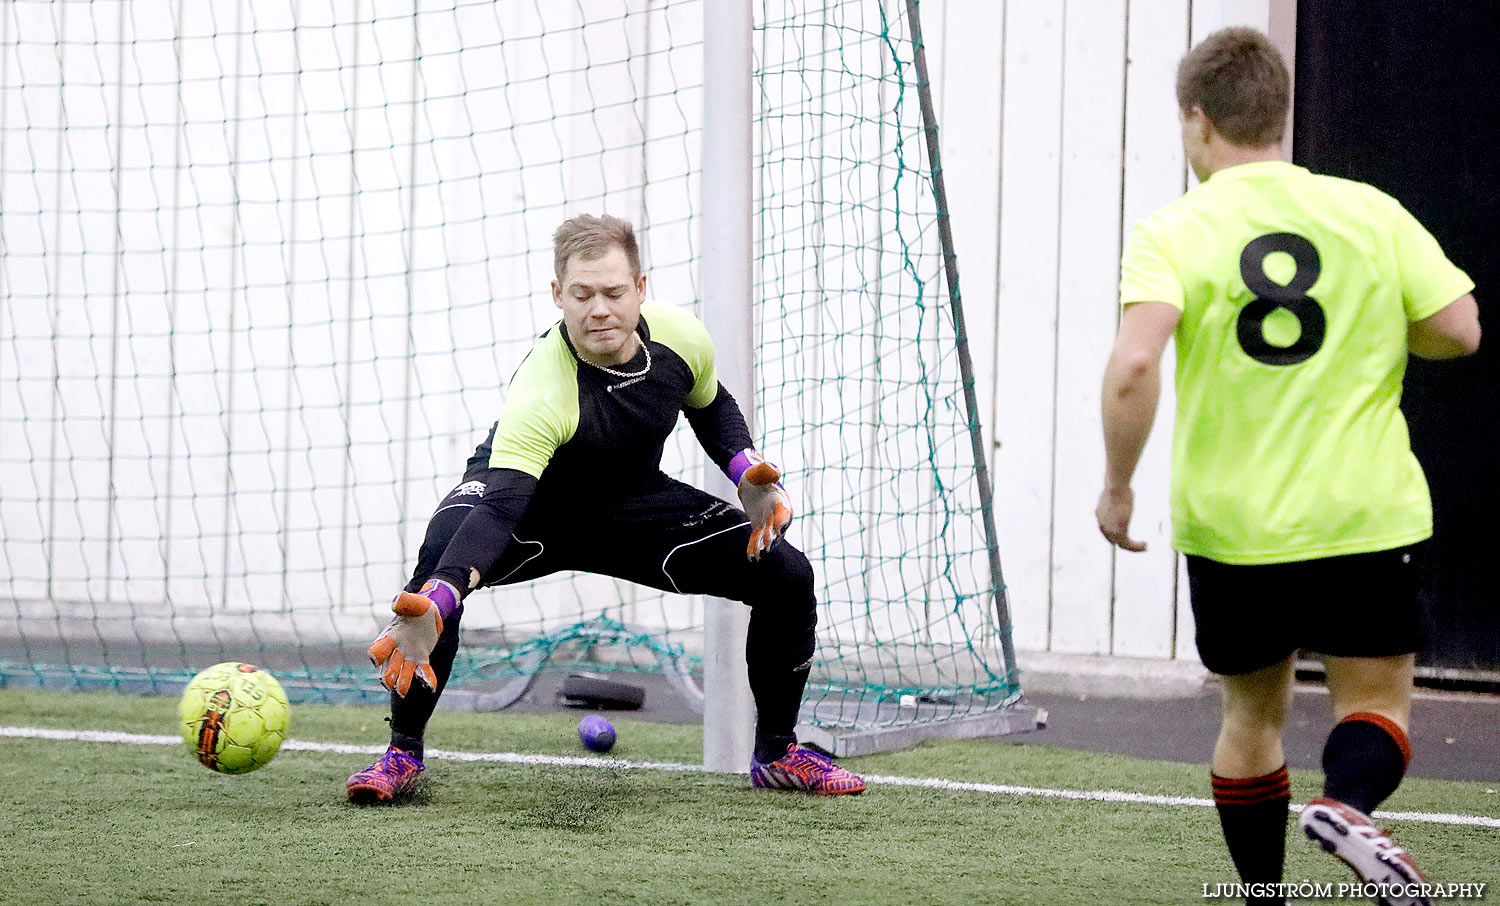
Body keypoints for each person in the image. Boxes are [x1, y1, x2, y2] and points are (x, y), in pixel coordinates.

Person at [1095, 27, 1480, 906]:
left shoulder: (1173, 230)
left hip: (1236, 527)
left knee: (1250, 717)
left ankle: (1265, 898)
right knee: (1375, 706)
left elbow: (1135, 365)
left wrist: (1117, 486)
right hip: (1364, 514)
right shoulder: (1369, 211)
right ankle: (1347, 806)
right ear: (1279, 115)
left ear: (1198, 122)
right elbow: (1460, 329)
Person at [346, 214, 865, 802]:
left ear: (640, 288)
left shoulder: (681, 337)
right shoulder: (543, 391)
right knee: (436, 574)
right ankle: (402, 755)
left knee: (786, 574)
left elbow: (709, 402)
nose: (600, 310)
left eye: (614, 293)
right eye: (582, 295)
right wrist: (440, 596)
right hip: (534, 510)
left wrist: (746, 471)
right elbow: (499, 511)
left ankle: (777, 753)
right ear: (557, 296)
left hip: (634, 507)